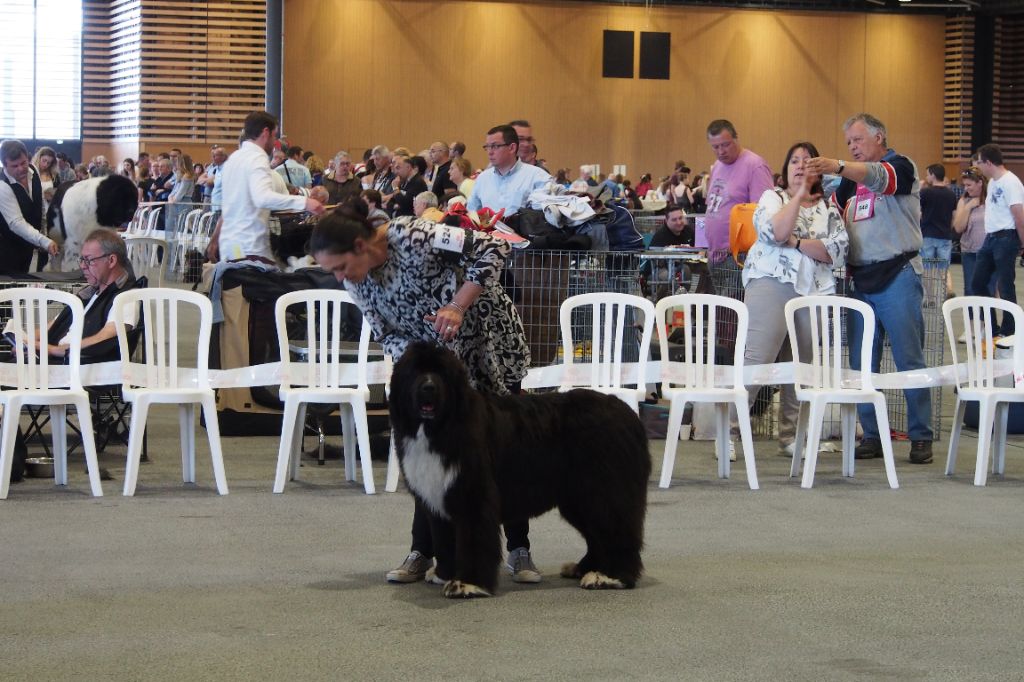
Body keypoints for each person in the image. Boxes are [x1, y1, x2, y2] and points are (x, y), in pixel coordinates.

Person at [309, 204, 537, 585]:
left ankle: (519, 548)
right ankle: (423, 550)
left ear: (362, 245)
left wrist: (457, 305)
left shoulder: (415, 236)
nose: (338, 277)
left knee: (505, 449)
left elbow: (495, 247)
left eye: (339, 266)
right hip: (435, 371)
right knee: (425, 457)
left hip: (487, 346)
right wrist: (418, 369)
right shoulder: (356, 282)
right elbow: (385, 332)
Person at [806, 112, 933, 464]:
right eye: (848, 143)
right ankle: (872, 435)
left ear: (879, 137)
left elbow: (879, 178)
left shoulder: (900, 166)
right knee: (862, 363)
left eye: (857, 140)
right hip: (861, 279)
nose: (852, 147)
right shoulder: (847, 185)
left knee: (910, 358)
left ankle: (921, 436)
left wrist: (839, 164)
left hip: (898, 273)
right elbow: (827, 213)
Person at [740, 142, 848, 457]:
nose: (800, 166)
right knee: (756, 362)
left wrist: (797, 241)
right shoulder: (773, 198)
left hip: (813, 291)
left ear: (817, 170)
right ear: (786, 169)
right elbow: (773, 233)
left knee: (802, 367)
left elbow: (836, 252)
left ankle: (792, 438)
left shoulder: (830, 209)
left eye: (807, 162)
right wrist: (799, 195)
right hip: (771, 283)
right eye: (794, 161)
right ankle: (730, 432)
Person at [207, 111, 323, 263]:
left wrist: (215, 239)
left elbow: (228, 207)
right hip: (251, 248)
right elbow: (262, 197)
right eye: (274, 136)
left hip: (231, 247)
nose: (274, 142)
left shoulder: (233, 159)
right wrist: (305, 202)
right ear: (265, 132)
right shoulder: (258, 157)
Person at [971, 143, 1024, 338]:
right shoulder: (992, 182)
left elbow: (1019, 216)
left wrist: (1022, 242)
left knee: (1005, 285)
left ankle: (1010, 329)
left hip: (1006, 237)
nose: (978, 167)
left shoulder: (1011, 182)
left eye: (979, 163)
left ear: (988, 162)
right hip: (990, 238)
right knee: (978, 283)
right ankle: (992, 326)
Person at [703, 119, 773, 256]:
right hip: (714, 253)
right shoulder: (717, 165)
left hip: (739, 256)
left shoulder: (755, 166)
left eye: (725, 145)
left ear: (736, 139)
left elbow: (764, 215)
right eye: (715, 147)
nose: (721, 151)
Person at [0, 140, 60, 275]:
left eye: (23, 162)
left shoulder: (34, 170)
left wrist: (44, 233)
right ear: (5, 165)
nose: (21, 168)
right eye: (14, 166)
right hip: (9, 250)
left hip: (32, 245)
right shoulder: (2, 185)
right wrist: (44, 241)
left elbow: (41, 207)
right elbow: (16, 223)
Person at [466, 125, 550, 215]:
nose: (490, 152)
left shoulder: (538, 177)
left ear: (512, 148)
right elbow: (471, 213)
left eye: (495, 146)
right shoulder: (482, 179)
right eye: (487, 147)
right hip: (486, 228)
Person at [952, 167, 990, 343]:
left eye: (969, 185)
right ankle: (971, 326)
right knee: (970, 289)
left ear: (980, 183)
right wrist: (968, 207)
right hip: (969, 252)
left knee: (988, 290)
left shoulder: (991, 200)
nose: (966, 188)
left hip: (988, 251)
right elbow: (958, 227)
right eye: (964, 185)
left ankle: (985, 326)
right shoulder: (964, 200)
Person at [919, 163, 957, 302]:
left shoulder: (925, 193)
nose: (927, 177)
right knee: (944, 267)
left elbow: (918, 213)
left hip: (928, 234)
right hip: (945, 235)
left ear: (933, 175)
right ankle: (949, 288)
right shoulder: (951, 194)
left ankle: (929, 298)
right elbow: (954, 215)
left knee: (927, 269)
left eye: (928, 174)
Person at [32, 146, 62, 271]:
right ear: (39, 158)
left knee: (49, 242)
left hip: (51, 213)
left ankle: (44, 270)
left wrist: (53, 195)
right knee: (37, 240)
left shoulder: (54, 176)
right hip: (37, 212)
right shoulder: (32, 173)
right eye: (44, 161)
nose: (46, 164)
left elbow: (59, 193)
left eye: (49, 162)